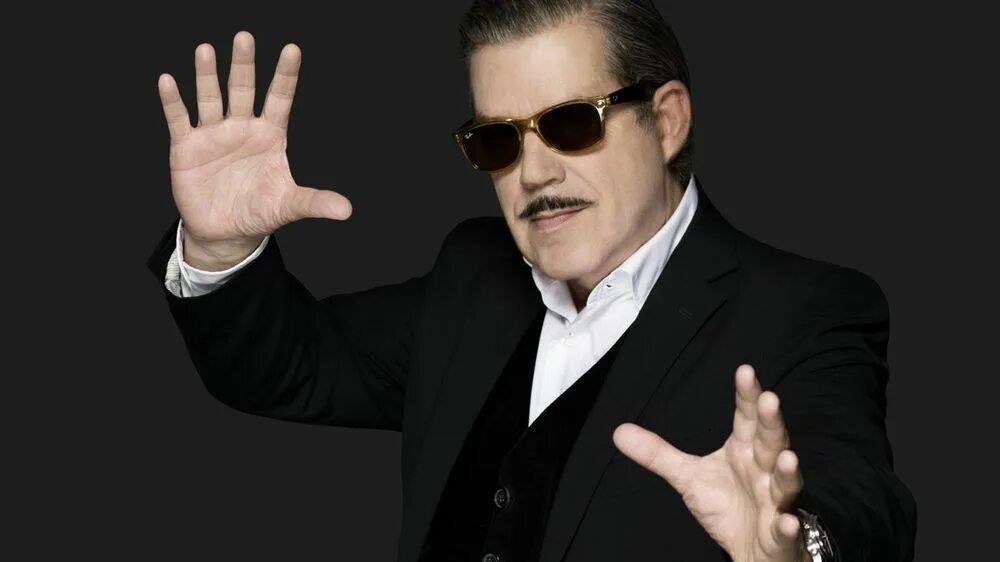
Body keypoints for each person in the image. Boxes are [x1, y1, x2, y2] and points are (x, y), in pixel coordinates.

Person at [147, 1, 916, 561]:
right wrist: (221, 244)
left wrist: (798, 549)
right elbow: (288, 368)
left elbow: (863, 501)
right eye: (498, 141)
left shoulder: (805, 309)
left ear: (667, 121)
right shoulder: (473, 276)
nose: (535, 173)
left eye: (572, 124)